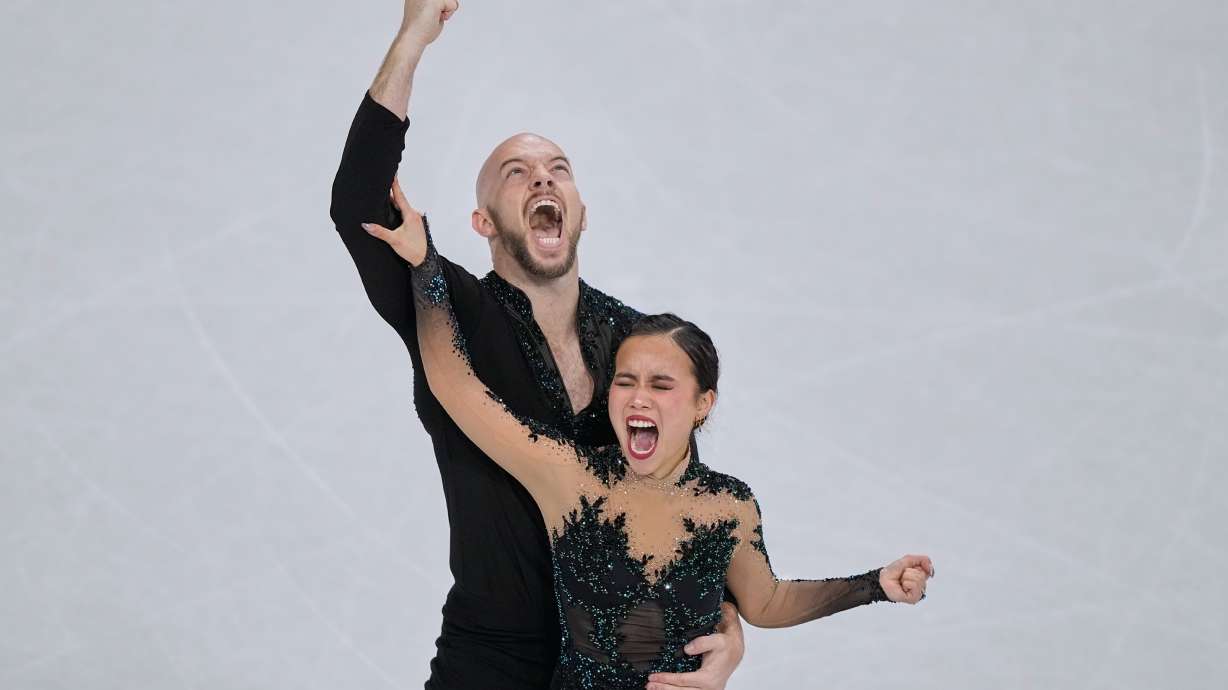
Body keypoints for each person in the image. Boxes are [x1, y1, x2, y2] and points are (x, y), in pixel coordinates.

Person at [361, 184, 936, 690]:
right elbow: (456, 387)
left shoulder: (727, 507)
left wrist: (874, 585)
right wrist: (425, 266)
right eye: (625, 381)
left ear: (702, 404)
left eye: (661, 385)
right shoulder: (571, 479)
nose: (637, 397)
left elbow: (768, 601)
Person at [330, 2, 747, 688]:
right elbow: (358, 201)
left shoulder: (639, 346)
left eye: (558, 168)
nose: (543, 178)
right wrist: (413, 40)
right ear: (483, 221)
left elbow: (682, 507)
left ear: (582, 211)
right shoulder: (450, 312)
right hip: (489, 662)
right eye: (516, 174)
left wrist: (727, 631)